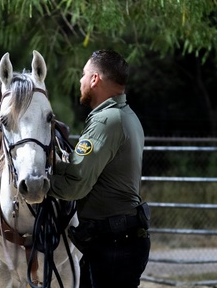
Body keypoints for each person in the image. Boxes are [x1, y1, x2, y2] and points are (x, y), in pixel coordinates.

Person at [49, 49, 150, 288]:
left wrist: (38, 186)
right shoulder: (125, 116)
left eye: (84, 74)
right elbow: (87, 171)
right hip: (116, 241)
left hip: (113, 246)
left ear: (95, 79)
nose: (80, 80)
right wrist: (55, 166)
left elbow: (76, 185)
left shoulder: (106, 121)